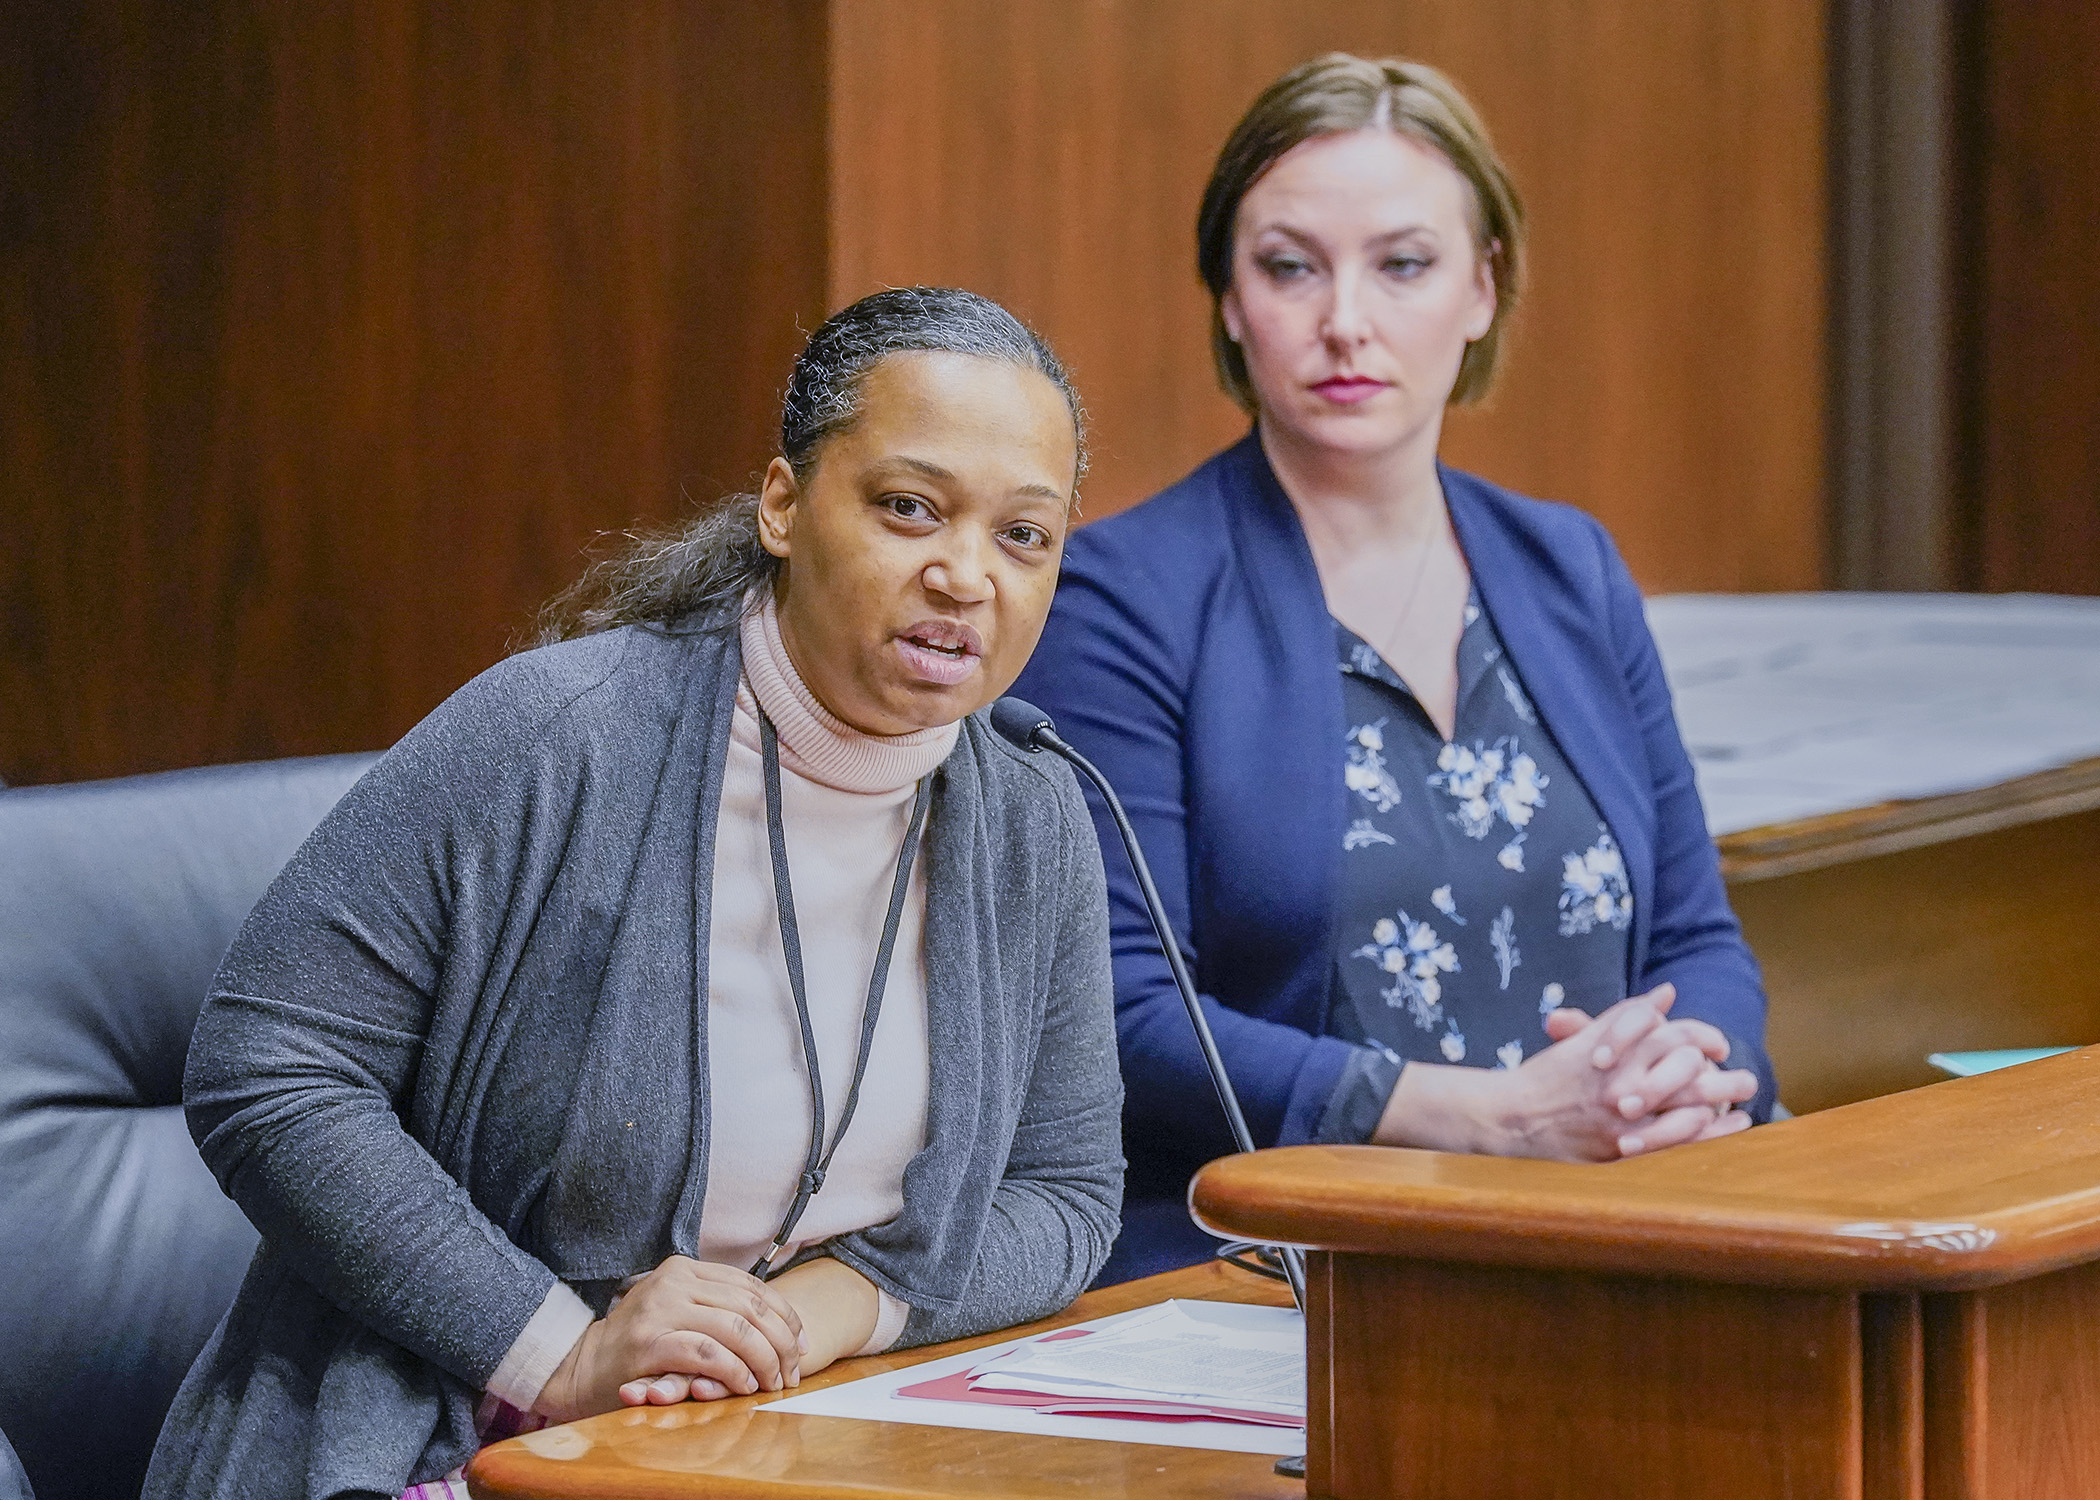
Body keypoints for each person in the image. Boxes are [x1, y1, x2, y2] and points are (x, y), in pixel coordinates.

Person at [144, 287, 1121, 1498]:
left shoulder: (1032, 811)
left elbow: (1063, 1194)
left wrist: (802, 1324)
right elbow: (266, 1063)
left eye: (1023, 536)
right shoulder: (557, 734)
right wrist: (566, 1353)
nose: (966, 575)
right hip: (461, 1431)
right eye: (909, 508)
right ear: (782, 505)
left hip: (790, 1432)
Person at [1012, 54, 1774, 1283]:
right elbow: (1123, 1020)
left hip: (1628, 1225)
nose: (1345, 321)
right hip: (1301, 1265)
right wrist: (1490, 1122)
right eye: (1290, 265)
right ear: (1227, 299)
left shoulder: (1567, 564)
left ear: (1483, 288)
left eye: (1403, 264)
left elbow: (1699, 940)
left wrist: (1675, 1079)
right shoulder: (1120, 598)